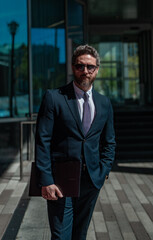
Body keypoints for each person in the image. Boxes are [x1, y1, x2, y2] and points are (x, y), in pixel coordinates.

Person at [35, 45, 116, 240]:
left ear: (97, 69)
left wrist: (103, 171)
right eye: (80, 66)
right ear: (73, 67)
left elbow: (109, 142)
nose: (85, 71)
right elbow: (42, 140)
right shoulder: (54, 98)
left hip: (91, 180)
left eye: (90, 67)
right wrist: (46, 180)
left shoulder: (104, 103)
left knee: (80, 234)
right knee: (61, 235)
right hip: (61, 180)